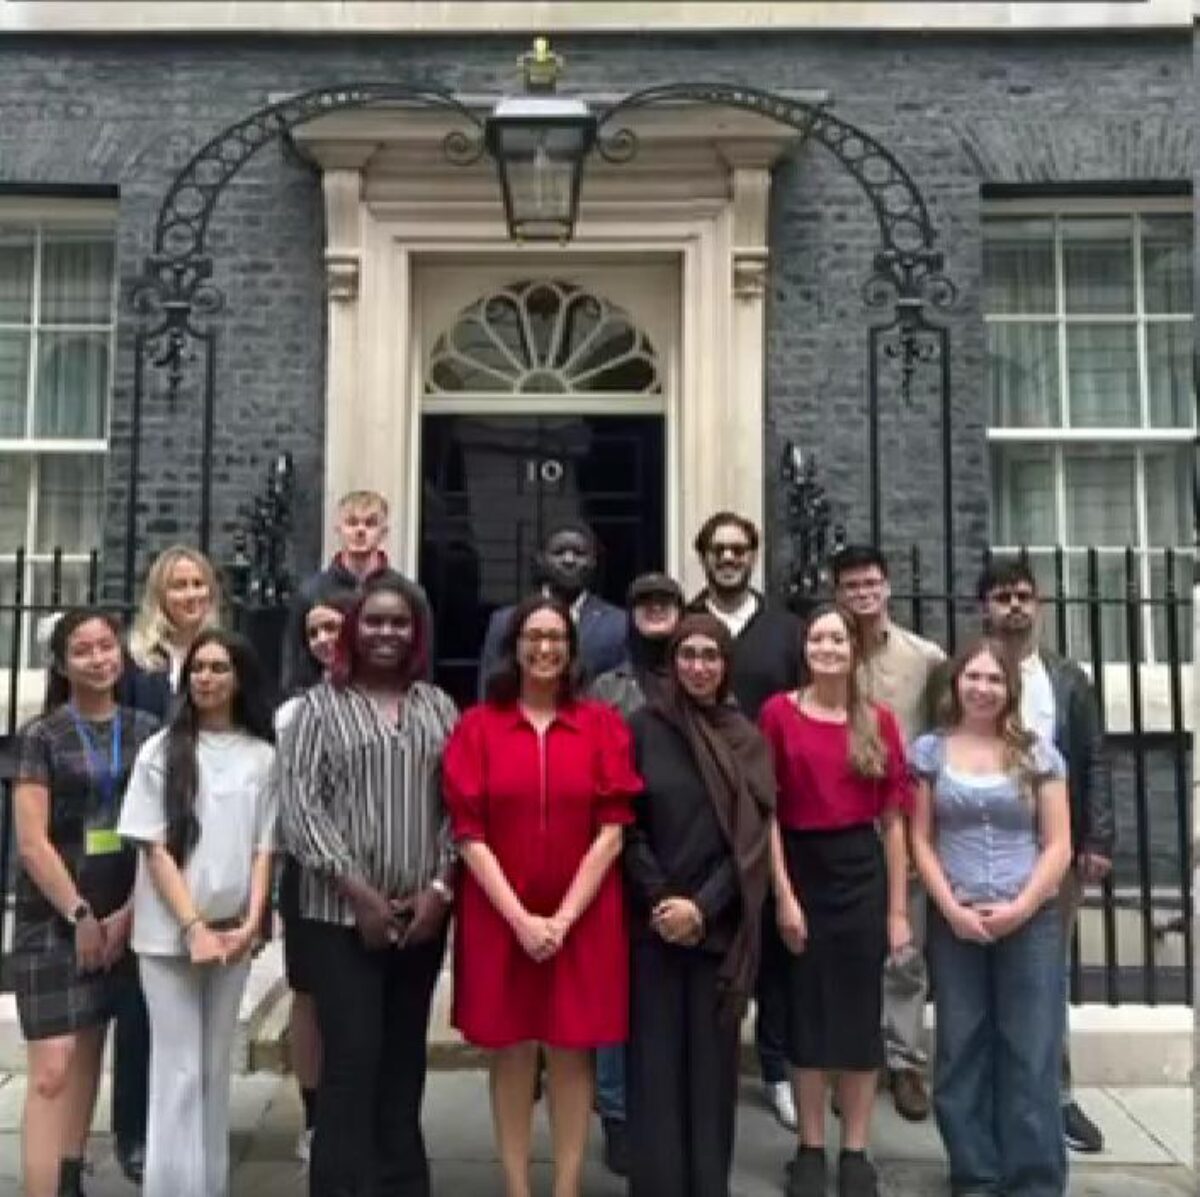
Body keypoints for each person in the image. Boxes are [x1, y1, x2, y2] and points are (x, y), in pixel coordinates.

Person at [444, 595, 640, 1197]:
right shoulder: (477, 727)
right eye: (534, 636)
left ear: (573, 650)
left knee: (574, 1049)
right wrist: (522, 919)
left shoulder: (603, 725)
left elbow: (613, 829)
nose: (545, 648)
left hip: (583, 915)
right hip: (498, 912)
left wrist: (561, 917)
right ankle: (516, 1185)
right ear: (515, 646)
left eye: (557, 637)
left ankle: (567, 1185)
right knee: (510, 1050)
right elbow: (468, 831)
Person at [277, 571, 458, 1197]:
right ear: (354, 630)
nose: (386, 632)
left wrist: (439, 889)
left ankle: (401, 1183)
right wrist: (362, 895)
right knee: (352, 1060)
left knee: (404, 1061)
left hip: (422, 919)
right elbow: (300, 808)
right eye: (374, 621)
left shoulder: (438, 706)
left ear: (417, 633)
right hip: (336, 917)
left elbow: (458, 806)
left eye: (399, 622)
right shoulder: (318, 709)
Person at [909, 638, 1073, 1197]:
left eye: (994, 680)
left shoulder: (1039, 755)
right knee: (961, 1050)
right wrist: (950, 909)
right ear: (956, 683)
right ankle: (975, 1174)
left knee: (1030, 1051)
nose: (982, 688)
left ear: (1010, 689)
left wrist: (1020, 908)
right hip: (957, 923)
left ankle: (1033, 1180)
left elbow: (1057, 845)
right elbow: (920, 839)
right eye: (972, 677)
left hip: (1030, 923)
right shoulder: (930, 752)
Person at [758, 605, 912, 1197]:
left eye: (838, 638)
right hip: (801, 867)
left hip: (860, 873)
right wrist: (784, 895)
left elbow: (894, 822)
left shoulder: (878, 722)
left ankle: (855, 1151)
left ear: (854, 649)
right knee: (807, 1016)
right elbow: (767, 810)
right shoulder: (778, 714)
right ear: (805, 649)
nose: (827, 648)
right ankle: (810, 1146)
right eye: (817, 638)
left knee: (857, 1017)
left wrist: (897, 911)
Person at [117, 628, 276, 1197]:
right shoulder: (161, 751)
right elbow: (153, 847)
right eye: (200, 669)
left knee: (213, 1073)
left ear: (239, 679)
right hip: (169, 937)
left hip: (233, 933)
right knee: (178, 1072)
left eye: (219, 668)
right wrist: (192, 929)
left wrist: (253, 922)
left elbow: (265, 849)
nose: (207, 678)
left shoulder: (261, 756)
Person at [624, 613, 775, 1197]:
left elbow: (752, 839)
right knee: (655, 1071)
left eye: (710, 656)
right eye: (687, 655)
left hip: (718, 930)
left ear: (725, 665)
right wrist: (663, 902)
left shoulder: (746, 737)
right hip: (652, 925)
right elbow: (625, 825)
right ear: (672, 661)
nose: (698, 667)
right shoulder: (643, 728)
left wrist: (703, 908)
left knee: (711, 1076)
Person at [11, 609, 160, 1197]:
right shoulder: (39, 737)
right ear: (62, 664)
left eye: (106, 647)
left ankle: (69, 1176)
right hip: (54, 919)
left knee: (88, 1060)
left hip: (127, 911)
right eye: (84, 650)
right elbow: (30, 842)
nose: (99, 658)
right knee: (52, 1068)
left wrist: (124, 915)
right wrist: (79, 915)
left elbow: (164, 830)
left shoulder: (148, 728)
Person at [978, 559, 1114, 1155]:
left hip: (1052, 848)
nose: (1014, 606)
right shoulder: (968, 673)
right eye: (1003, 596)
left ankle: (1055, 1096)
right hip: (978, 847)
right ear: (985, 605)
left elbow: (1094, 757)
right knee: (979, 978)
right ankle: (994, 1097)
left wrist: (1098, 838)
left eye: (1023, 596)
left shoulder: (1067, 678)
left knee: (1046, 978)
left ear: (1039, 605)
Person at [114, 543, 224, 1181]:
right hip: (151, 829)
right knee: (142, 995)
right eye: (178, 585)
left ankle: (196, 1129)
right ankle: (134, 1128)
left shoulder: (222, 654)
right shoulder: (140, 664)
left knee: (199, 1003)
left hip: (213, 832)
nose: (189, 595)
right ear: (160, 594)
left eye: (198, 584)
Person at [689, 510, 801, 1130]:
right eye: (719, 550)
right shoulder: (686, 620)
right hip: (701, 804)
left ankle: (779, 1070)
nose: (729, 559)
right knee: (712, 941)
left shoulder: (786, 630)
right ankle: (711, 1073)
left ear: (754, 556)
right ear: (703, 555)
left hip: (767, 801)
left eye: (739, 550)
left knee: (774, 949)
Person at [832, 544, 945, 1122]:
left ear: (888, 587)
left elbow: (944, 733)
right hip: (840, 817)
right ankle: (849, 1058)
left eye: (871, 584)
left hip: (900, 815)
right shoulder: (826, 651)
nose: (863, 595)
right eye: (851, 586)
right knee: (848, 948)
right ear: (837, 593)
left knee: (905, 949)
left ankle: (904, 1063)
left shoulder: (924, 657)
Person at [587, 570, 684, 1175]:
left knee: (668, 990)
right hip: (616, 847)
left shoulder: (697, 676)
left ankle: (663, 1108)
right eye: (644, 602)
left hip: (683, 849)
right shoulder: (605, 688)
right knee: (613, 989)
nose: (654, 611)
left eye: (664, 603)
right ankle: (617, 1115)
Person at [274, 587, 355, 1165]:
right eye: (315, 632)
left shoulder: (386, 695)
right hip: (307, 871)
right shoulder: (291, 709)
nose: (326, 640)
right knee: (308, 996)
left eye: (335, 627)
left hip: (374, 874)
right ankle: (314, 1115)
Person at [476, 521, 627, 697]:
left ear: (593, 562)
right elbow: (489, 691)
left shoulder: (618, 624)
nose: (569, 560)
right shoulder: (505, 621)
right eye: (559, 552)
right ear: (541, 560)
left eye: (579, 554)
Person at [281, 490, 408, 692]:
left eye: (370, 523)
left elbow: (419, 660)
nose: (360, 530)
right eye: (352, 522)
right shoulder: (310, 593)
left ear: (384, 532)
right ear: (338, 529)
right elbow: (294, 663)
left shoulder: (406, 594)